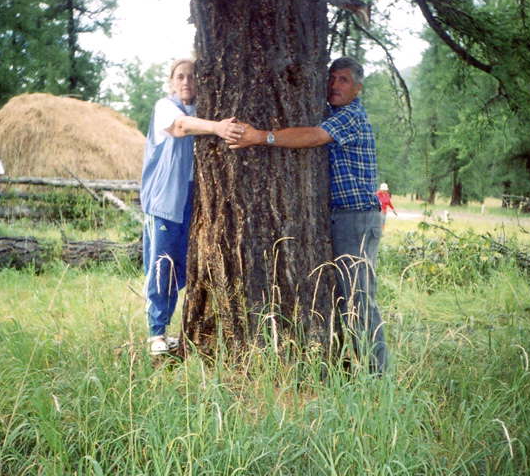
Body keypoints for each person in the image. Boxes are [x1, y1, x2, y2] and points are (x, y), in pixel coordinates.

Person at [230, 56, 388, 374]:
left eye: (343, 80)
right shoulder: (335, 112)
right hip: (343, 217)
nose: (334, 85)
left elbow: (314, 137)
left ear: (358, 88)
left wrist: (260, 136)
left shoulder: (350, 117)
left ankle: (378, 375)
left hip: (356, 219)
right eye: (331, 78)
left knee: (357, 298)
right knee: (345, 296)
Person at [142, 58, 244, 356]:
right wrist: (219, 128)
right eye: (180, 77)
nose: (186, 82)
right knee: (162, 265)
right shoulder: (166, 107)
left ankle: (187, 327)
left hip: (193, 200)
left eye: (192, 76)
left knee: (187, 266)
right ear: (172, 82)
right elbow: (181, 127)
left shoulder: (204, 110)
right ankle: (156, 333)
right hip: (164, 200)